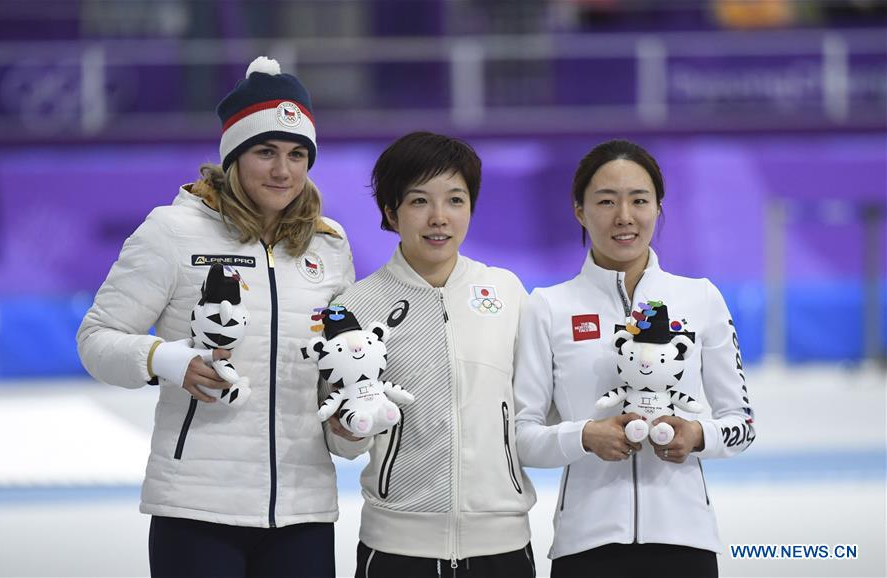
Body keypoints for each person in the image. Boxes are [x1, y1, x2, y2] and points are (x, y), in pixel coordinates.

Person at [77, 56, 354, 578]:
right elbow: (95, 340)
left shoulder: (328, 246)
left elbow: (330, 371)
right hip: (197, 510)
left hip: (303, 507)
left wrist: (351, 425)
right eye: (265, 151)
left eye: (298, 154)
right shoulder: (172, 232)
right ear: (233, 155)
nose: (283, 169)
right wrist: (163, 359)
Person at [513, 139, 756, 578]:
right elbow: (522, 435)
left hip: (686, 545)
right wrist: (585, 436)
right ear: (579, 211)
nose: (624, 216)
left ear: (658, 208)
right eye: (606, 201)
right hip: (585, 547)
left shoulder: (700, 297)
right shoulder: (547, 306)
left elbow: (743, 424)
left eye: (639, 200)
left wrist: (698, 435)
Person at [326, 131, 537, 578]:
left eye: (455, 200)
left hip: (502, 545)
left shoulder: (506, 292)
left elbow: (538, 408)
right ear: (391, 211)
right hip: (397, 548)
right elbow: (339, 441)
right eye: (420, 201)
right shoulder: (356, 307)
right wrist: (347, 429)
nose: (439, 218)